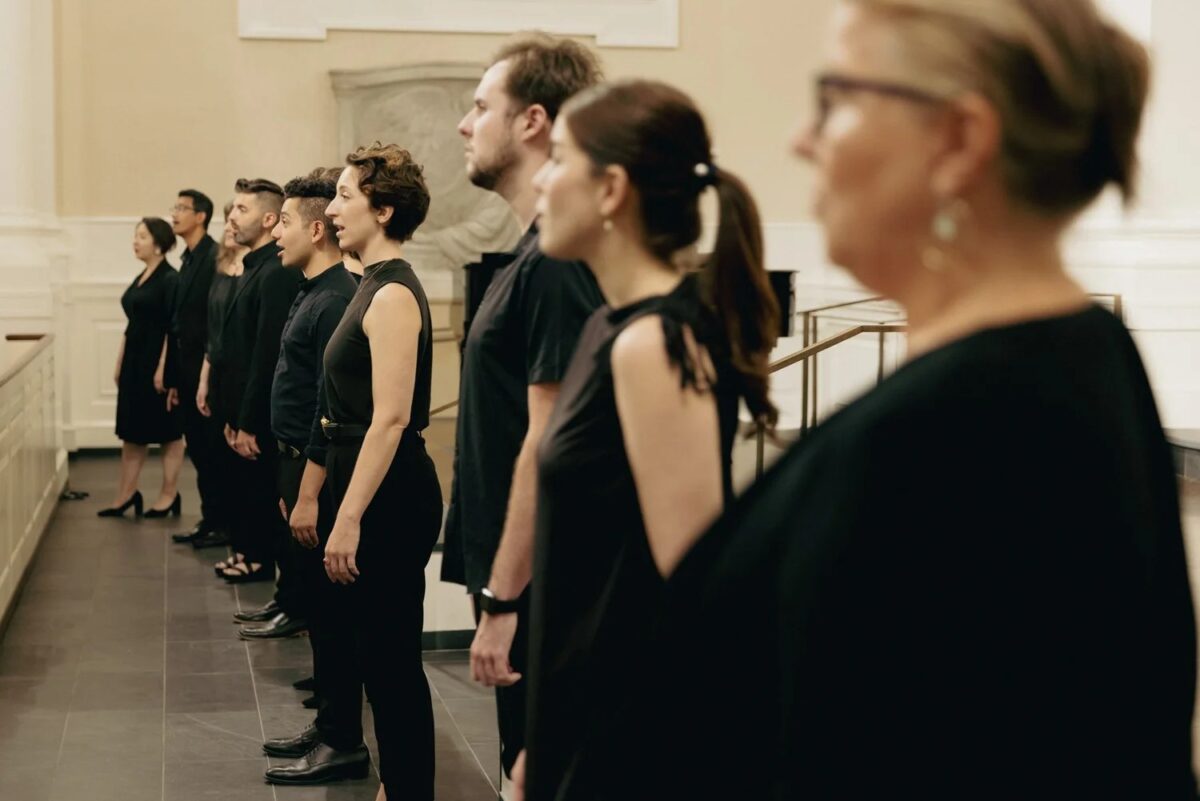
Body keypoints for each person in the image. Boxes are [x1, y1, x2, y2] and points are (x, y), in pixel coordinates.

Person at [629, 2, 1198, 799]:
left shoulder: (953, 430)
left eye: (835, 99)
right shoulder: (1081, 354)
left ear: (960, 141)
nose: (801, 139)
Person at [515, 79, 779, 801]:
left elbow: (692, 582)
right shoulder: (609, 325)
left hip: (623, 735)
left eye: (558, 158)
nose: (539, 178)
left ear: (611, 190)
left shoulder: (654, 343)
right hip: (580, 713)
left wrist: (590, 748)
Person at [447, 34, 604, 780]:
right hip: (525, 581)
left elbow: (551, 442)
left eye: (482, 107)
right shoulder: (530, 257)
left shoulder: (554, 266)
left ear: (532, 121)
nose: (464, 124)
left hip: (545, 586)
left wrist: (503, 600)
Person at [319, 143, 442, 801]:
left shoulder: (393, 292)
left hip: (389, 495)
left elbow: (390, 420)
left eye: (345, 195)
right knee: (375, 654)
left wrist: (348, 517)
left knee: (391, 659)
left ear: (384, 209)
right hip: (366, 482)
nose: (332, 209)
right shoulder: (370, 279)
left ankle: (408, 787)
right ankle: (397, 785)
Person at [252, 170, 365, 785]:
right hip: (296, 463)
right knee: (319, 613)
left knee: (334, 615)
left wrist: (308, 490)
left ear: (317, 230)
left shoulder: (336, 297)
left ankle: (343, 740)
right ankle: (329, 725)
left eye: (287, 223)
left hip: (317, 470)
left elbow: (330, 404)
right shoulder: (310, 289)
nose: (277, 234)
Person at [215, 178, 301, 583]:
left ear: (269, 219)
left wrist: (248, 421)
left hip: (263, 415)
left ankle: (263, 564)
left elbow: (266, 355)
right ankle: (254, 556)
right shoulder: (255, 266)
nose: (232, 216)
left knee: (263, 495)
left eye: (242, 209)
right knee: (246, 491)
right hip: (241, 408)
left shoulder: (275, 272)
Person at [99, 217, 186, 518]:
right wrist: (119, 362)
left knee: (168, 432)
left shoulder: (170, 279)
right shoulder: (142, 276)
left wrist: (164, 368)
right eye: (136, 236)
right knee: (132, 431)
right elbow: (133, 323)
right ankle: (126, 494)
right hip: (134, 363)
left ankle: (168, 495)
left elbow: (172, 328)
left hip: (156, 364)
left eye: (142, 236)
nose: (135, 242)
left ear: (159, 244)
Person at [165, 189, 221, 544]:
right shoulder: (187, 258)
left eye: (181, 208)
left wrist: (204, 375)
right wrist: (173, 378)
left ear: (200, 216)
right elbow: (178, 323)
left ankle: (221, 523)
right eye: (174, 207)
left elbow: (212, 322)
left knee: (211, 450)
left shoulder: (214, 256)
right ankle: (210, 518)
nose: (174, 213)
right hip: (185, 371)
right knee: (197, 449)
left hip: (206, 371)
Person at [191, 203, 247, 550]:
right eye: (226, 220)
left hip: (235, 374)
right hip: (214, 370)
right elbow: (213, 334)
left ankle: (231, 527)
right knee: (210, 451)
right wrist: (203, 380)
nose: (228, 226)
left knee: (229, 457)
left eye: (234, 220)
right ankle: (216, 519)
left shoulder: (251, 272)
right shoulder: (221, 266)